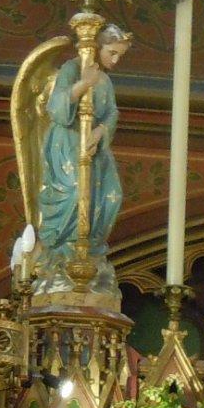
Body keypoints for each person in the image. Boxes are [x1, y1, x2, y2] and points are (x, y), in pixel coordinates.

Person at [38, 22, 128, 276]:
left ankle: (90, 247)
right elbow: (56, 107)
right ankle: (64, 248)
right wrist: (83, 84)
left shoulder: (106, 82)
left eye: (119, 55)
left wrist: (100, 131)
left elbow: (111, 112)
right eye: (112, 52)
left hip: (95, 146)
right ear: (98, 47)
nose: (116, 59)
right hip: (67, 141)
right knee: (78, 191)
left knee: (112, 195)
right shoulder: (72, 68)